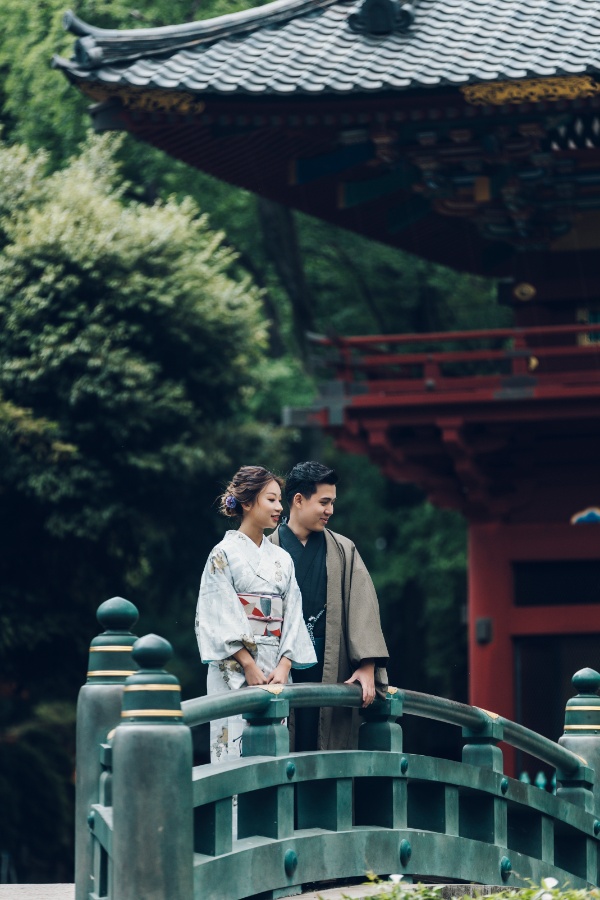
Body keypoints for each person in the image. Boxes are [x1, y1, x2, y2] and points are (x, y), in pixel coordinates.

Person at [195, 465, 316, 762]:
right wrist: (248, 665)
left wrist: (285, 666)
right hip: (235, 667)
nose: (279, 507)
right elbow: (217, 613)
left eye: (279, 500)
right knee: (232, 756)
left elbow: (293, 613)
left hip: (275, 667)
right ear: (247, 503)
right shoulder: (222, 554)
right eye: (271, 499)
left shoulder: (282, 559)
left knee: (272, 757)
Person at [269, 461, 389, 751]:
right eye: (324, 502)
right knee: (281, 748)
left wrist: (367, 664)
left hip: (330, 663)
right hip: (279, 663)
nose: (330, 511)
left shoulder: (344, 550)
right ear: (298, 500)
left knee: (326, 747)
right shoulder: (267, 547)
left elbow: (363, 607)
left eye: (332, 502)